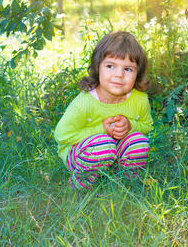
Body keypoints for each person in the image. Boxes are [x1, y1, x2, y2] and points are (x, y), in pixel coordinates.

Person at [54, 31, 153, 189]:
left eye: (128, 69)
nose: (119, 75)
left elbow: (147, 125)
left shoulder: (139, 98)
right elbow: (61, 135)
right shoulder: (85, 102)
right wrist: (101, 129)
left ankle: (127, 181)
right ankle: (81, 183)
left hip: (113, 150)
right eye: (110, 66)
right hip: (80, 154)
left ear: (137, 73)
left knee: (138, 141)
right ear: (97, 66)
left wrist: (130, 125)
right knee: (103, 145)